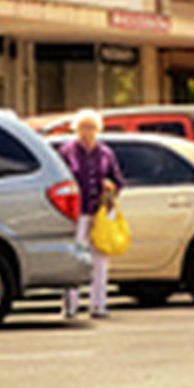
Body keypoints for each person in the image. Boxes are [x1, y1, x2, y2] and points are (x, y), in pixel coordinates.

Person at [57, 109, 125, 320]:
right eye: (83, 127)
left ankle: (99, 304)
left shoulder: (105, 153)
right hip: (77, 213)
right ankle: (70, 306)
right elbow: (61, 180)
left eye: (91, 127)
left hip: (100, 213)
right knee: (75, 258)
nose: (87, 132)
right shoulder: (67, 151)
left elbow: (118, 180)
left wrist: (111, 187)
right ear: (76, 129)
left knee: (100, 259)